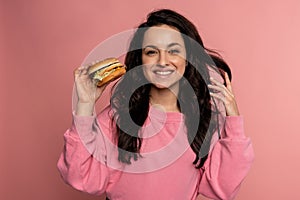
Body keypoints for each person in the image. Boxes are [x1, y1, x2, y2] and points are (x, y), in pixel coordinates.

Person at [57, 9, 254, 200]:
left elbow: (224, 188)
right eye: (152, 52)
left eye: (173, 51)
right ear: (141, 59)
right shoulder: (118, 116)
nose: (162, 61)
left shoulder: (203, 121)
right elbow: (80, 177)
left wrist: (233, 121)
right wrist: (85, 104)